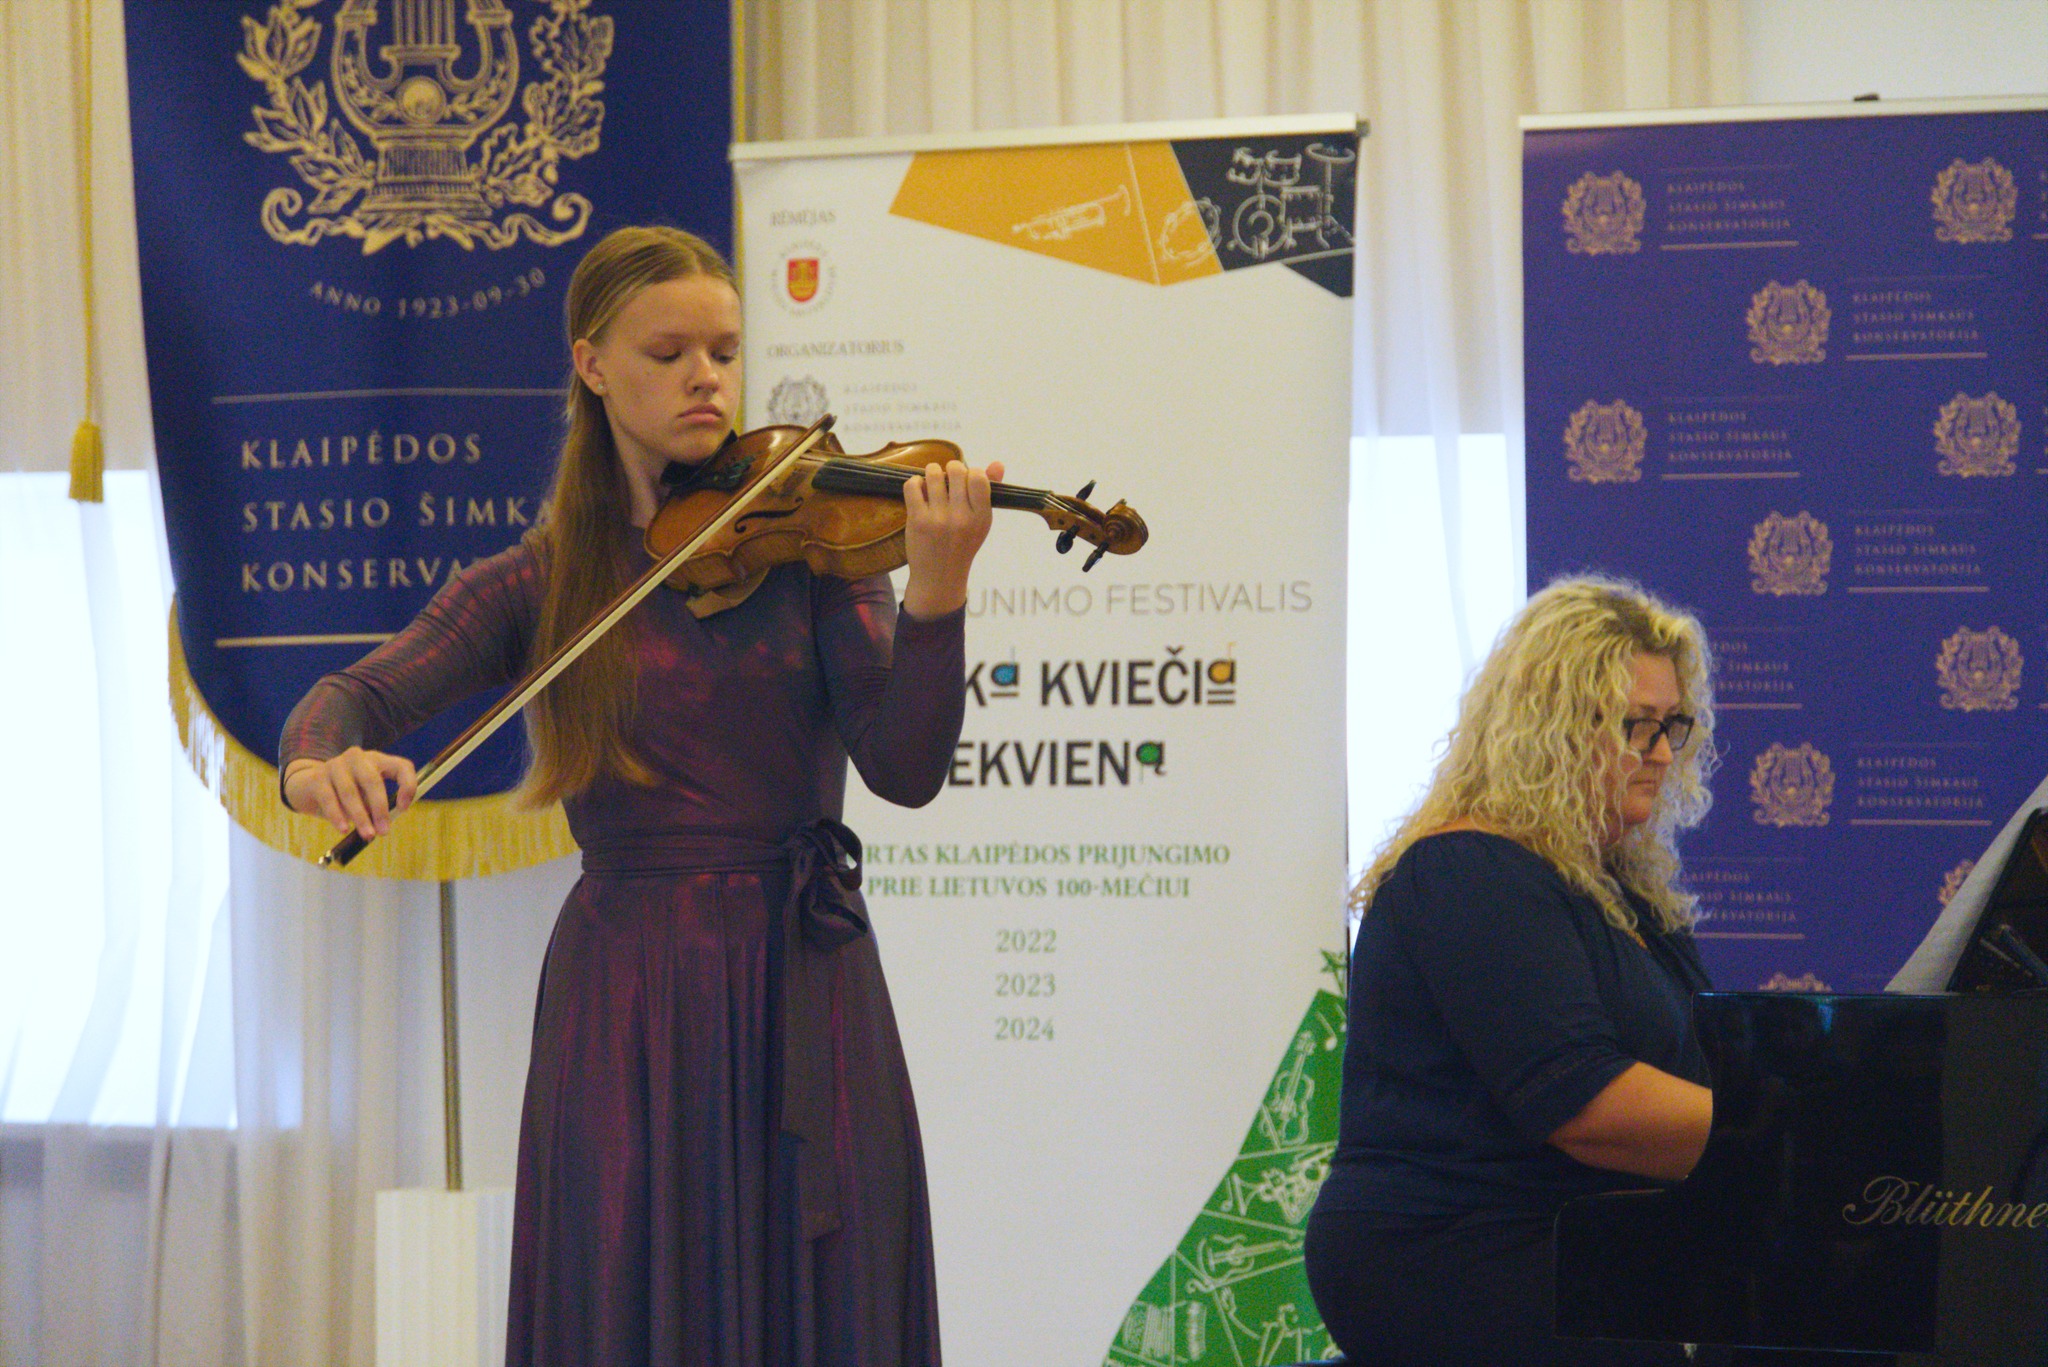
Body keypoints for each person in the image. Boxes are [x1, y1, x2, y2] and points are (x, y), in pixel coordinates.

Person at [279, 225, 1000, 1366]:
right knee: (630, 1289)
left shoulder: (812, 548)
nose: (705, 376)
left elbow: (905, 771)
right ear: (593, 366)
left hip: (802, 972)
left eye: (724, 350)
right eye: (668, 353)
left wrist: (938, 593)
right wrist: (319, 764)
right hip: (628, 992)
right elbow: (353, 696)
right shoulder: (540, 577)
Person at [1304, 576, 1718, 1367]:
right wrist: (1784, 1133)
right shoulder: (1469, 870)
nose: (1664, 753)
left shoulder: (1621, 892)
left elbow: (1701, 1065)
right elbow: (1585, 1104)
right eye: (1637, 725)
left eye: (1672, 725)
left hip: (1576, 1245)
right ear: (1551, 725)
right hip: (1455, 1250)